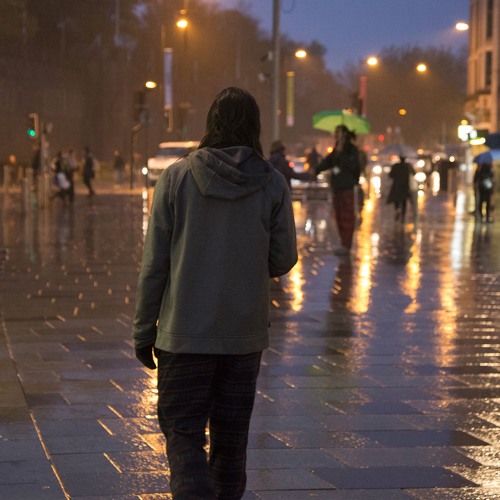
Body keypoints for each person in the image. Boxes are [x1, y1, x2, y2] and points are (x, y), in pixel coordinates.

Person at [132, 87, 297, 499]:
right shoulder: (272, 183)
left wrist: (143, 330)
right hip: (243, 337)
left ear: (211, 123)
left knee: (183, 434)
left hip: (183, 335)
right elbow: (283, 257)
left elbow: (155, 266)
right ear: (255, 126)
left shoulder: (177, 178)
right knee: (231, 444)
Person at [315, 125, 361, 255]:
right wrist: (316, 170)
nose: (336, 134)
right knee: (339, 216)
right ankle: (343, 243)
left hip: (346, 187)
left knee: (347, 216)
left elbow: (355, 167)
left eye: (338, 132)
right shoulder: (336, 149)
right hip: (337, 187)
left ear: (344, 134)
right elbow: (327, 162)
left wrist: (353, 181)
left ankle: (346, 245)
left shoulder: (351, 150)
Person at [386, 155, 416, 225]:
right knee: (404, 201)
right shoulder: (408, 166)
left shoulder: (396, 166)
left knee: (397, 200)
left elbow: (391, 175)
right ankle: (403, 215)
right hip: (405, 186)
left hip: (397, 186)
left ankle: (397, 210)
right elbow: (414, 173)